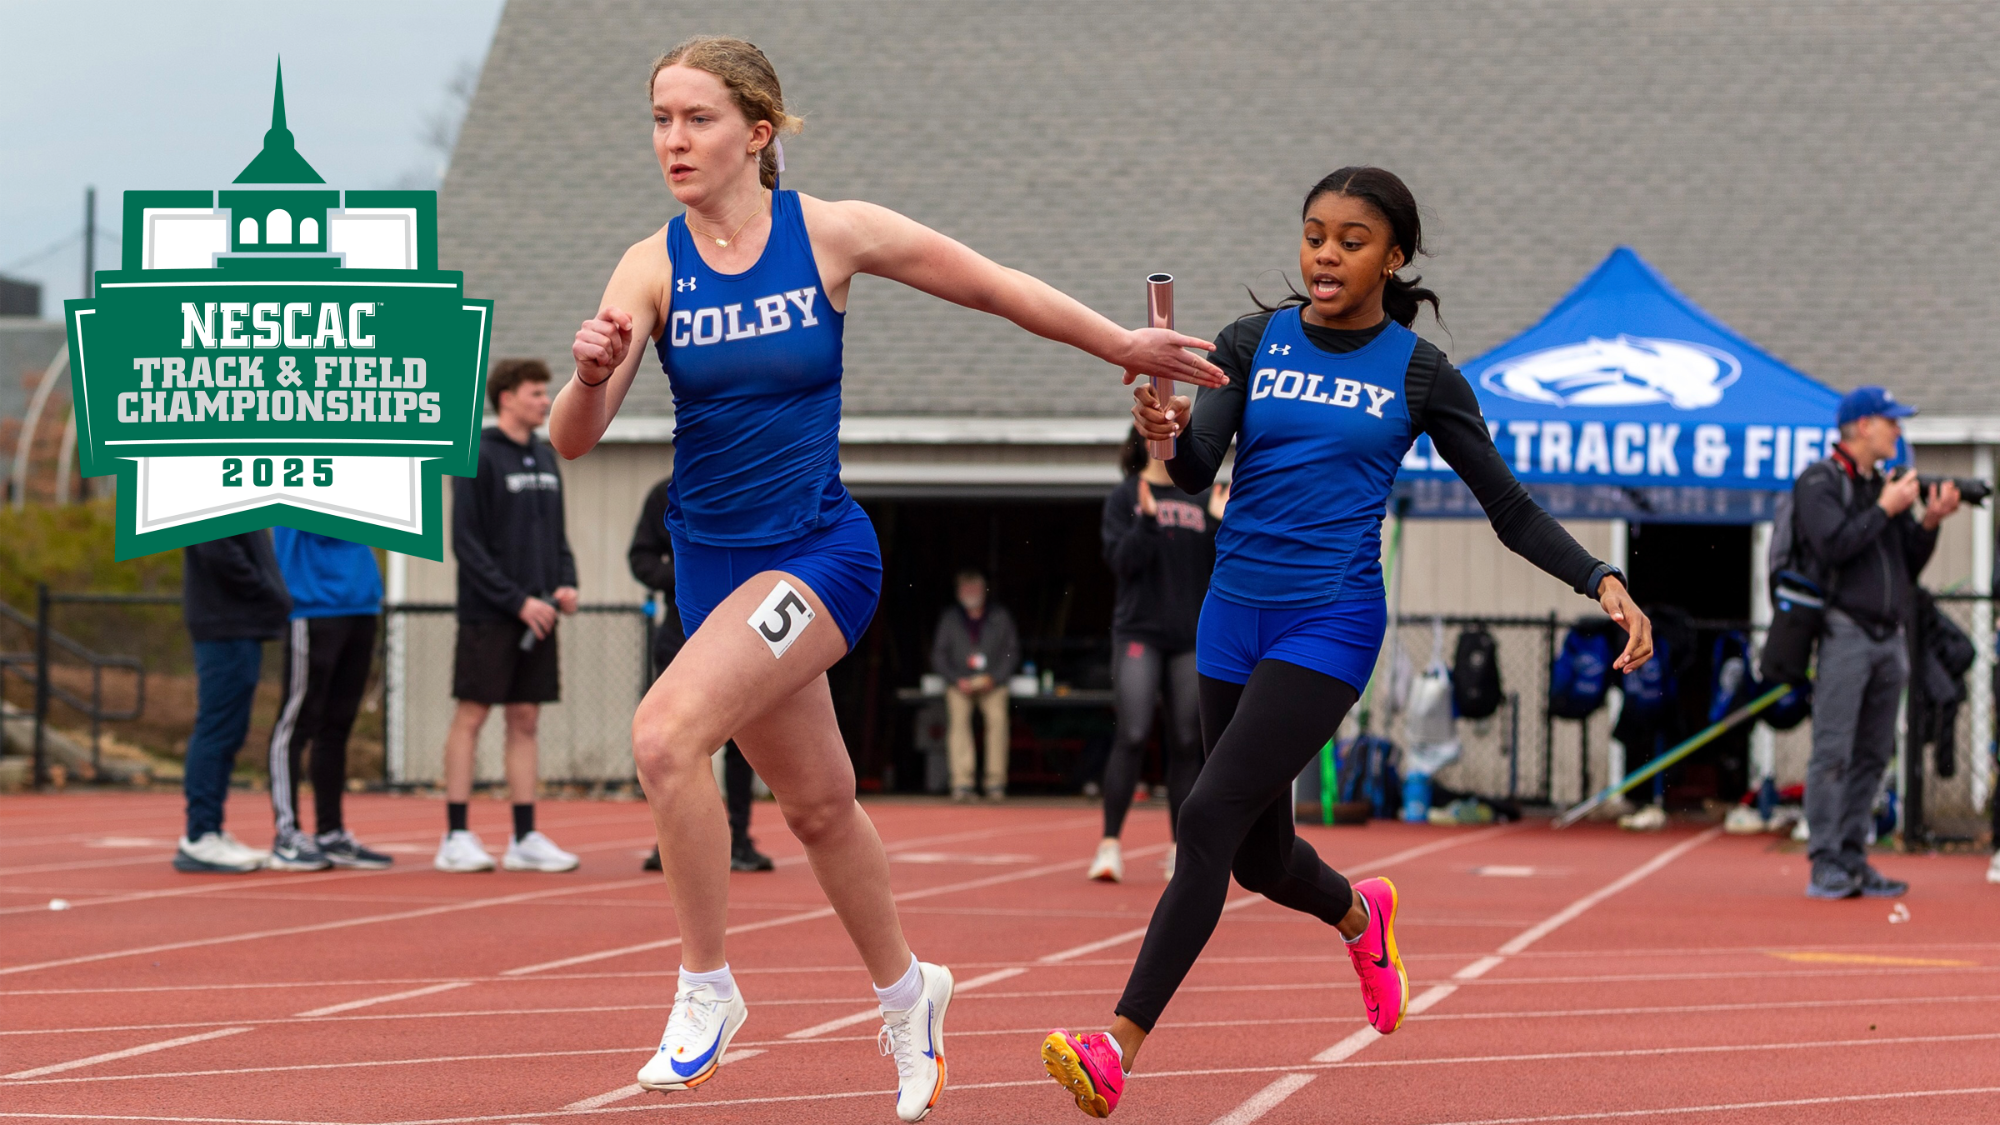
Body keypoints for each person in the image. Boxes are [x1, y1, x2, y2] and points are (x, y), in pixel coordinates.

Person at [547, 36, 1221, 1119]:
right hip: (712, 571)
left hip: (815, 556)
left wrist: (1119, 348)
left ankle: (705, 989)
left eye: (697, 119)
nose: (673, 140)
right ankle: (911, 995)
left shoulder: (830, 233)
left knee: (666, 737)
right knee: (816, 807)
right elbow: (579, 439)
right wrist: (586, 377)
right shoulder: (649, 265)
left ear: (756, 132)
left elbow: (991, 286)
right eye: (660, 119)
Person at [1041, 167, 1652, 1119]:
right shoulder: (1251, 344)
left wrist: (1600, 579)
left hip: (1328, 622)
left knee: (1202, 818)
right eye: (1314, 234)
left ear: (1393, 258)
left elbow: (1508, 505)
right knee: (1257, 856)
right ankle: (1361, 916)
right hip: (1230, 617)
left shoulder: (1419, 374)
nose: (1326, 253)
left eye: (1351, 239)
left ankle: (1116, 1045)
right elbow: (1199, 463)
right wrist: (1161, 431)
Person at [1793, 386, 1960, 900]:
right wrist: (1886, 509)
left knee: (1873, 754)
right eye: (1892, 422)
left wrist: (1928, 521)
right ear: (1863, 425)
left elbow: (1905, 564)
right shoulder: (1820, 481)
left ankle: (1852, 855)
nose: (1899, 432)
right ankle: (1824, 860)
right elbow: (1833, 545)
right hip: (1845, 631)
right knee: (1834, 752)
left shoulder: (1882, 487)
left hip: (1890, 637)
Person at [432, 358, 582, 875]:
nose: (545, 401)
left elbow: (557, 536)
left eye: (546, 393)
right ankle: (455, 834)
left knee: (526, 719)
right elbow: (467, 546)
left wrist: (566, 583)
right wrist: (516, 600)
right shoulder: (475, 455)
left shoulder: (545, 456)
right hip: (490, 614)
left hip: (540, 616)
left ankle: (523, 837)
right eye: (536, 393)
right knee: (472, 715)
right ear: (507, 398)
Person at [1090, 429, 1225, 882]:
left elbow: (1220, 568)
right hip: (1139, 633)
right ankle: (1110, 845)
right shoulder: (1125, 496)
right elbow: (1121, 563)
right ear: (1143, 442)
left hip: (1190, 636)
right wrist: (1146, 522)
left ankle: (1177, 849)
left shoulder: (1202, 496)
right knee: (1131, 733)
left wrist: (1214, 525)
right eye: (1159, 436)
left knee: (1188, 742)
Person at [630, 474, 774, 873]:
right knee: (677, 743)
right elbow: (640, 558)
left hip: (743, 634)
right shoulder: (664, 493)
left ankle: (739, 839)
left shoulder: (751, 487)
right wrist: (688, 576)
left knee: (745, 742)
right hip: (680, 637)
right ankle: (670, 842)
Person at [263, 529, 393, 871]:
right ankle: (287, 833)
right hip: (312, 603)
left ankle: (330, 832)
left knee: (337, 726)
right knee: (295, 723)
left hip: (361, 602)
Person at [174, 530, 291, 873]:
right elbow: (215, 547)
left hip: (236, 623)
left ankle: (210, 828)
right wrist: (264, 589)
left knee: (229, 730)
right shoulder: (215, 491)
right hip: (225, 621)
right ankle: (201, 834)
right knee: (217, 729)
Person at [930, 569, 1019, 803]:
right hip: (960, 681)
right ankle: (962, 784)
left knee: (998, 721)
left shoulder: (1000, 617)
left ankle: (995, 783)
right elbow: (938, 655)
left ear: (984, 590)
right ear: (958, 592)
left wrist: (995, 678)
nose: (970, 593)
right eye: (966, 588)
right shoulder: (950, 618)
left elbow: (1012, 653)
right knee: (958, 723)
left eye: (974, 588)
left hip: (992, 682)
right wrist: (955, 679)